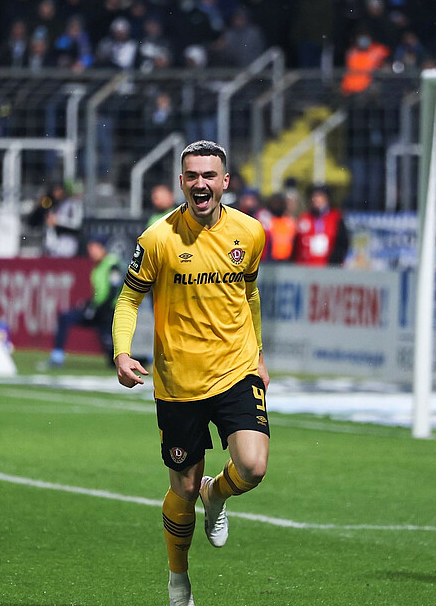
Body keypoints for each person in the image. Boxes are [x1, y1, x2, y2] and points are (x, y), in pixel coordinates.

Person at [112, 140, 269, 606]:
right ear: (182, 182)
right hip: (180, 381)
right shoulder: (158, 238)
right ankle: (178, 578)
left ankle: (215, 495)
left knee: (254, 466)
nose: (201, 184)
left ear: (225, 182)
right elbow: (127, 300)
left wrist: (258, 351)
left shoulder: (251, 233)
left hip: (236, 369)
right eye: (192, 176)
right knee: (180, 486)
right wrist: (122, 353)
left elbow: (249, 296)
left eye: (209, 175)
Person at [49, 235, 123, 368]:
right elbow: (98, 293)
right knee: (66, 317)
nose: (91, 252)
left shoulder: (112, 265)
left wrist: (97, 310)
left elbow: (113, 291)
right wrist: (90, 305)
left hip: (109, 313)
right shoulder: (97, 266)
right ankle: (57, 356)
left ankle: (147, 358)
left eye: (94, 248)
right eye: (90, 249)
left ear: (102, 248)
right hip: (97, 310)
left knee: (114, 359)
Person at [294, 184, 349, 266]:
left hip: (327, 266)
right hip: (305, 267)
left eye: (319, 196)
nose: (315, 199)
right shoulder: (304, 218)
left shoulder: (335, 218)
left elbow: (342, 244)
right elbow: (296, 244)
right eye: (313, 196)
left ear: (326, 198)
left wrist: (334, 263)